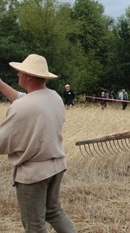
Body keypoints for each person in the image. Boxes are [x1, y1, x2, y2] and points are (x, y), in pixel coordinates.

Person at [0, 54, 77, 232]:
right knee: (54, 211)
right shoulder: (55, 97)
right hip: (56, 166)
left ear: (28, 76)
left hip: (33, 175)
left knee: (34, 226)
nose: (17, 74)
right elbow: (24, 99)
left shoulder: (22, 107)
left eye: (20, 72)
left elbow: (3, 141)